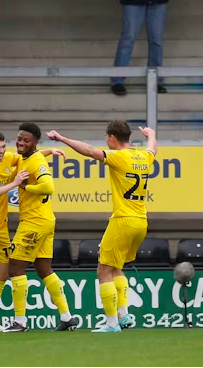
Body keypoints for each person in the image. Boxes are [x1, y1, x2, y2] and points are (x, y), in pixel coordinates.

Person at [47, 121, 157, 332]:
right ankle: (124, 316)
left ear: (113, 138)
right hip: (141, 221)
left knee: (103, 271)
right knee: (116, 268)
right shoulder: (143, 156)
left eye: (107, 138)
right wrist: (151, 134)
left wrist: (61, 139)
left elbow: (88, 151)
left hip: (123, 220)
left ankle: (111, 323)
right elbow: (153, 148)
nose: (106, 142)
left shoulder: (118, 157)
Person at [0, 130, 67, 333]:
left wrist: (51, 150)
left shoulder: (8, 158)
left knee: (2, 274)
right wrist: (15, 184)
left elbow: (31, 159)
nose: (1, 151)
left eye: (2, 147)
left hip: (0, 228)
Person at [4, 122, 79, 332]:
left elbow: (48, 186)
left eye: (26, 140)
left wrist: (26, 186)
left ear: (35, 142)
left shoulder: (34, 161)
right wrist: (49, 151)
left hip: (34, 221)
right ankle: (66, 317)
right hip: (45, 220)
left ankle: (20, 321)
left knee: (15, 267)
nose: (21, 142)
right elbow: (33, 159)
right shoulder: (29, 158)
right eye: (19, 138)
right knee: (43, 269)